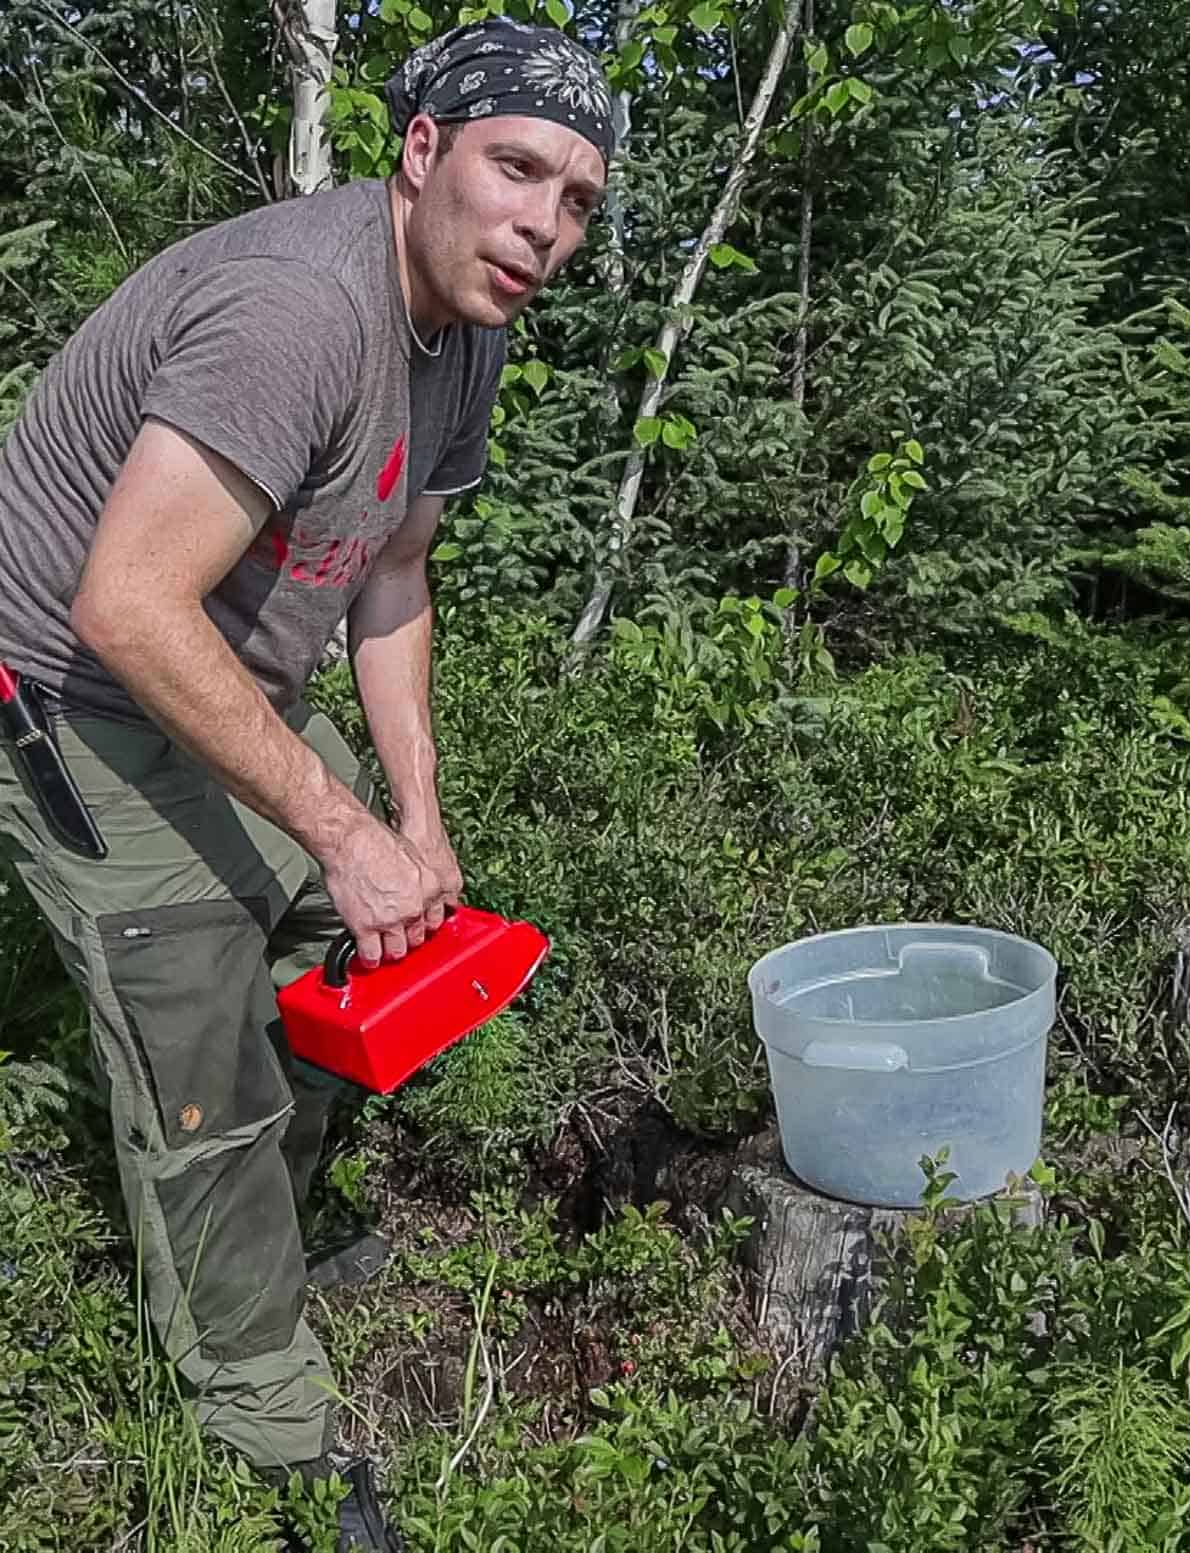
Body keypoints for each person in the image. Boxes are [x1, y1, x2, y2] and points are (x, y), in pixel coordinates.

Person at [0, 19, 612, 1551]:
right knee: (200, 1024)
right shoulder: (295, 313)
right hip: (72, 692)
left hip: (217, 670)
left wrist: (412, 811)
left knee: (361, 941)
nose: (544, 223)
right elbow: (125, 603)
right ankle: (264, 1415)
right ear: (420, 152)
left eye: (580, 199)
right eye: (516, 168)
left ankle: (270, 1228)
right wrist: (334, 823)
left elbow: (393, 572)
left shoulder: (467, 322)